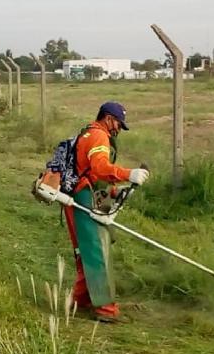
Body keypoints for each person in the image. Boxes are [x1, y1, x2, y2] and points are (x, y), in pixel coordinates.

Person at [63, 101, 150, 323]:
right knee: (96, 251)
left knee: (84, 251)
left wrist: (113, 190)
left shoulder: (86, 132)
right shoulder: (99, 136)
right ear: (109, 119)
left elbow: (88, 172)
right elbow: (99, 167)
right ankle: (105, 310)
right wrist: (128, 174)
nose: (118, 130)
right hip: (81, 197)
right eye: (119, 125)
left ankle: (79, 301)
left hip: (76, 195)